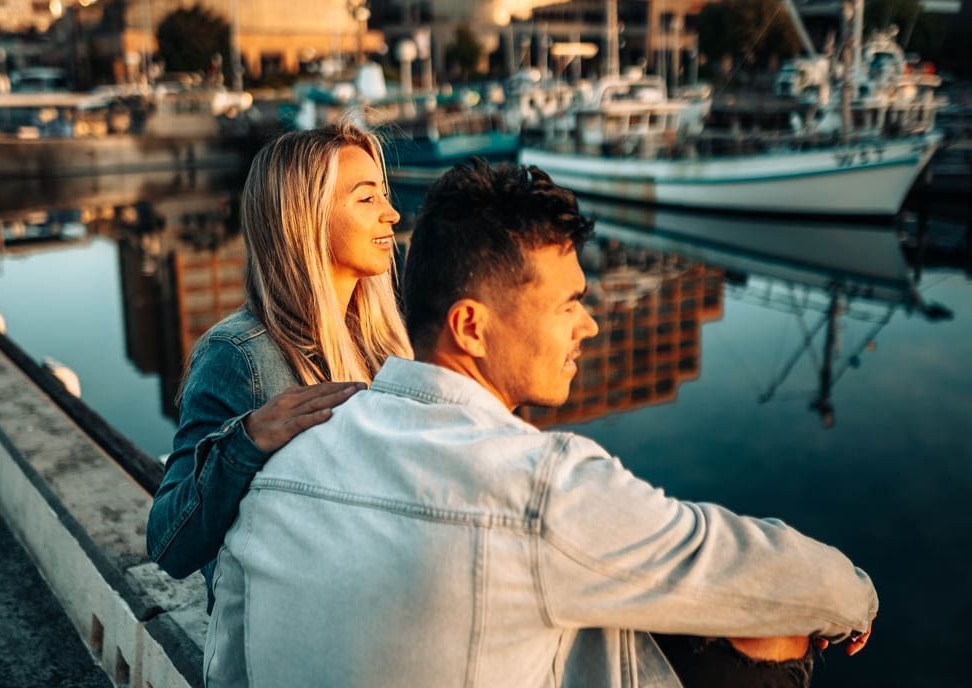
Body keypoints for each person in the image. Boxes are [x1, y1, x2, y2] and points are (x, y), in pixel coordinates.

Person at [205, 161, 877, 688]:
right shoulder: (540, 485)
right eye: (569, 305)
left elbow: (226, 667)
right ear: (471, 327)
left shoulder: (286, 462)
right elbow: (742, 563)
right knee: (770, 626)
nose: (589, 325)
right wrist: (856, 595)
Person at [146, 123, 412, 609]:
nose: (391, 213)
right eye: (366, 198)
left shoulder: (385, 345)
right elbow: (169, 544)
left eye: (385, 195)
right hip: (278, 635)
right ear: (305, 219)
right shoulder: (237, 356)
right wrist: (245, 442)